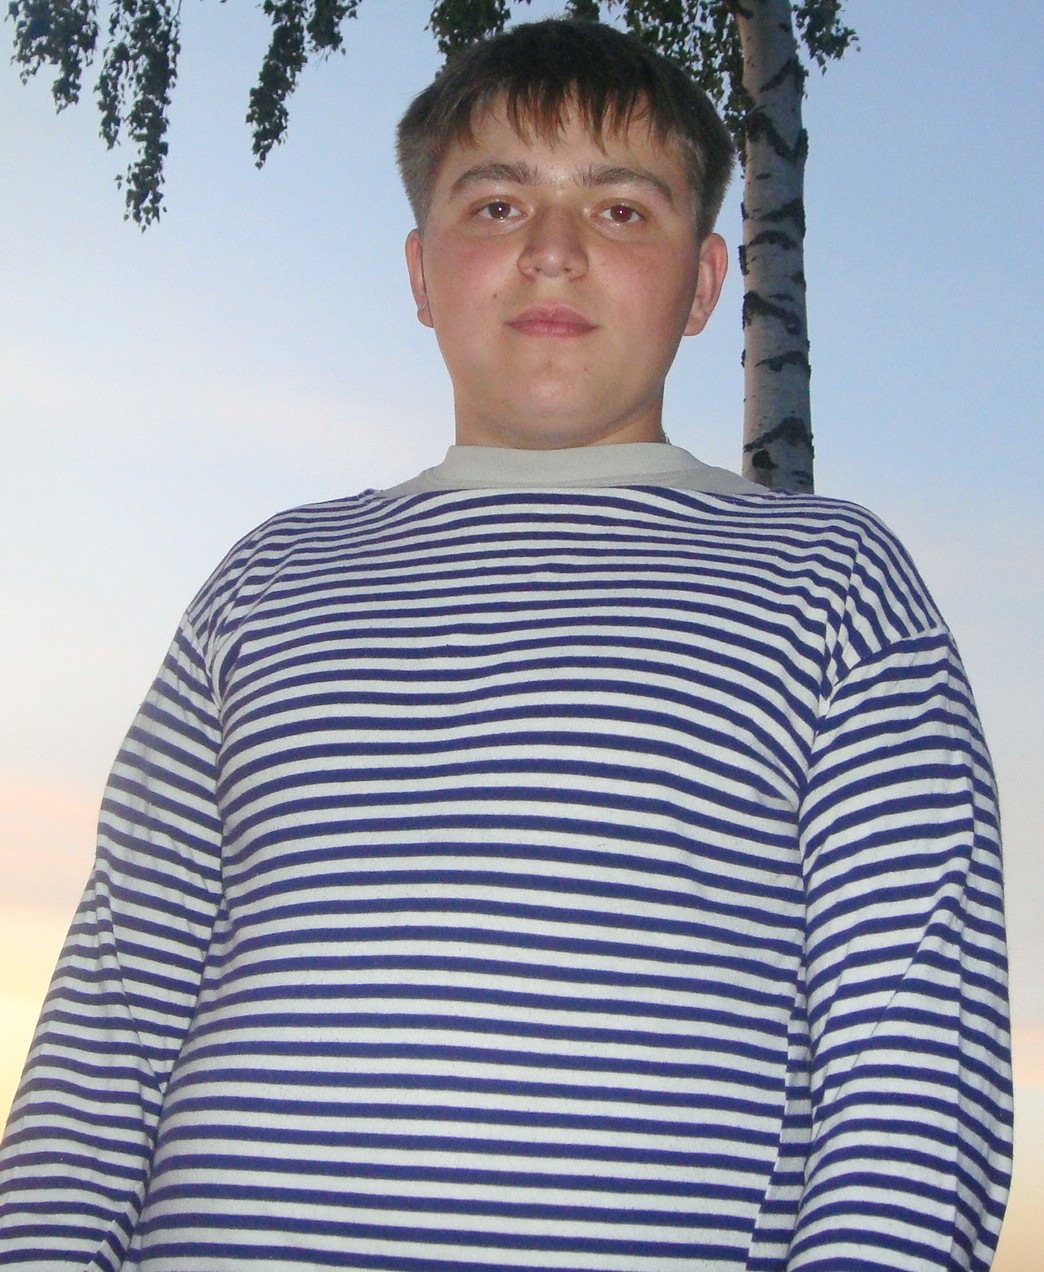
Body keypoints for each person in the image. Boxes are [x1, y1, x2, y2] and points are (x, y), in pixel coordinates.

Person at [0, 18, 1011, 1271]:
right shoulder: (268, 581)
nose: (552, 251)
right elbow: (108, 1028)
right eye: (496, 205)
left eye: (620, 210)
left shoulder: (833, 580)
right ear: (422, 273)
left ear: (705, 283)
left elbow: (917, 1062)